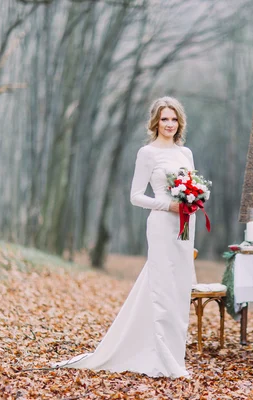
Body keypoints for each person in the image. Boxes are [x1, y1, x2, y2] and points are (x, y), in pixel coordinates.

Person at [53, 96, 197, 378]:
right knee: (161, 288)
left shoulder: (186, 153)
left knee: (179, 291)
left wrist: (193, 202)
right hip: (161, 224)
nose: (169, 124)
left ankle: (174, 356)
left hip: (185, 227)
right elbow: (135, 197)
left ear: (180, 122)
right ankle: (160, 359)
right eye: (164, 119)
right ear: (155, 122)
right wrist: (168, 205)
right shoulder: (147, 153)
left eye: (174, 119)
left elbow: (192, 187)